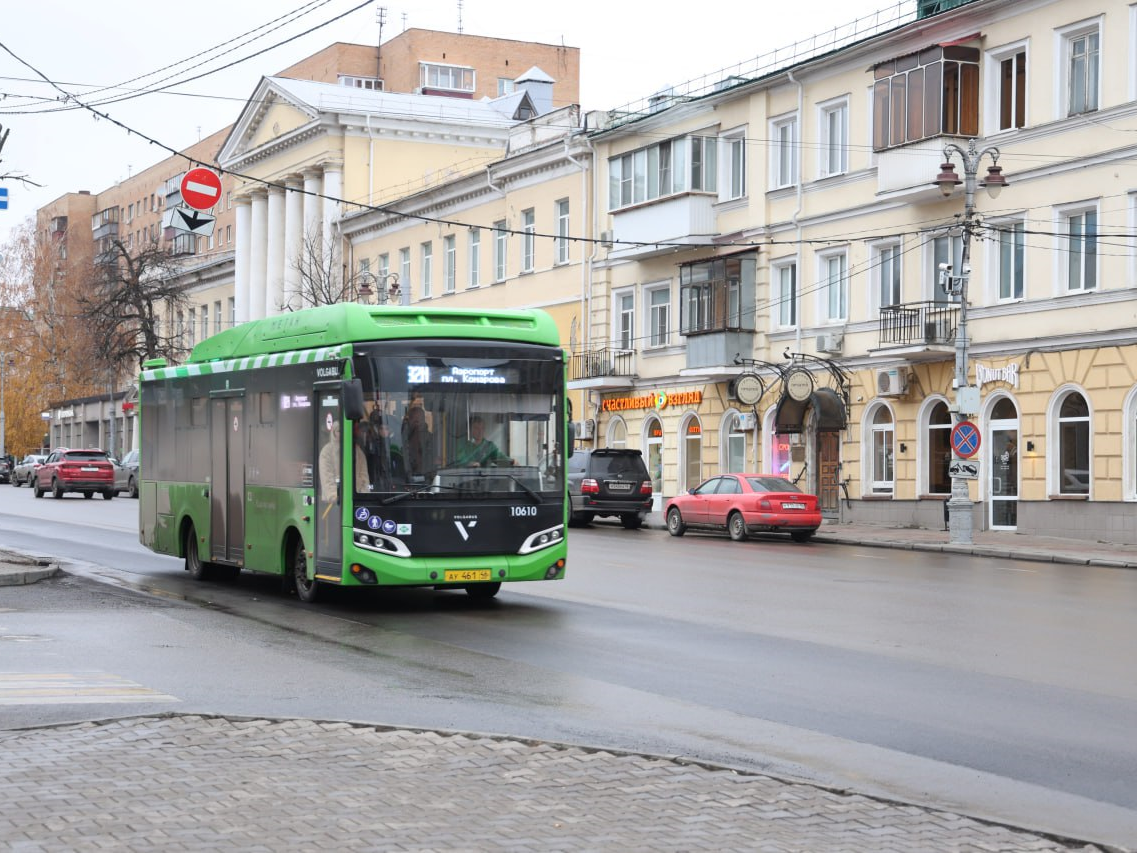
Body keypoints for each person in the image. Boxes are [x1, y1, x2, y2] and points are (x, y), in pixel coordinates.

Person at [402, 403, 436, 481]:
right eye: (413, 418)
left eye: (419, 418)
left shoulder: (432, 439)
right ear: (409, 420)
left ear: (424, 420)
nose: (416, 421)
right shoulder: (402, 440)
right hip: (406, 482)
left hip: (429, 481)